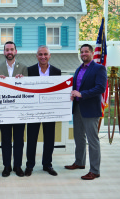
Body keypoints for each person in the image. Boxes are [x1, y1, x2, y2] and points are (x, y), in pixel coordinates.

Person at [65, 44, 107, 180]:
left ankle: (95, 170)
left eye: (86, 52)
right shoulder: (79, 69)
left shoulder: (99, 68)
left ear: (92, 52)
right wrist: (73, 94)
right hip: (77, 108)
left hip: (90, 109)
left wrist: (81, 94)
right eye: (82, 52)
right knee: (79, 137)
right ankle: (79, 162)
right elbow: (76, 87)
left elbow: (100, 88)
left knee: (92, 140)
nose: (84, 54)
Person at [25, 46, 61, 177]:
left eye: (45, 54)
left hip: (50, 111)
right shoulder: (29, 71)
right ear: (36, 56)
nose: (43, 56)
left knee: (49, 139)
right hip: (33, 111)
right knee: (31, 139)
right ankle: (29, 165)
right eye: (40, 54)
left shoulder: (57, 71)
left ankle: (47, 165)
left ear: (49, 56)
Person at [0, 41, 28, 177]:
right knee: (6, 140)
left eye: (11, 49)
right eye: (7, 50)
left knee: (19, 140)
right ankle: (6, 166)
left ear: (15, 51)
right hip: (4, 111)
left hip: (19, 111)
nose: (9, 52)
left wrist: (23, 80)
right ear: (4, 52)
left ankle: (18, 166)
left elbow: (28, 89)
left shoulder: (24, 68)